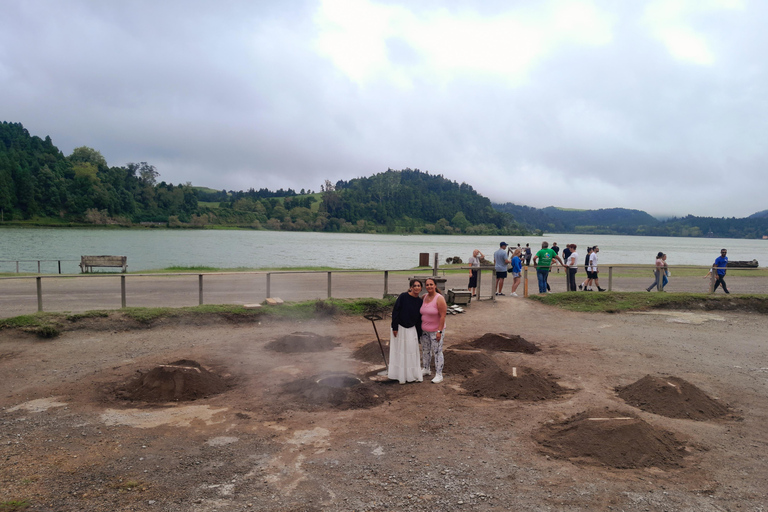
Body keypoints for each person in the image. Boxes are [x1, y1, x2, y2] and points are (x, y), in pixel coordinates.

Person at [389, 279, 424, 384]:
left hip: (411, 329)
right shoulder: (403, 297)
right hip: (400, 327)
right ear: (411, 287)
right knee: (400, 351)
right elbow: (396, 311)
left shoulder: (419, 301)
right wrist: (395, 327)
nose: (417, 287)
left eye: (419, 286)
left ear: (421, 288)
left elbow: (419, 319)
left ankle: (411, 374)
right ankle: (399, 374)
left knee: (411, 351)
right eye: (415, 286)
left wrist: (419, 333)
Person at [420, 277, 447, 383]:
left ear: (435, 285)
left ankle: (439, 374)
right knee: (425, 350)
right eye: (427, 285)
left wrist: (439, 331)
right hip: (424, 330)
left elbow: (443, 316)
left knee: (437, 351)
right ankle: (426, 369)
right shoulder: (424, 297)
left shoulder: (439, 298)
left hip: (436, 330)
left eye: (431, 284)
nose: (429, 286)